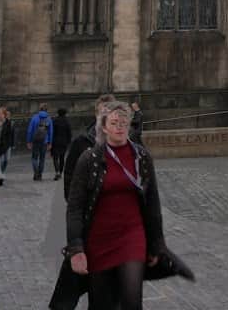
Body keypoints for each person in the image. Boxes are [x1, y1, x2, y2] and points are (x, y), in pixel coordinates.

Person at [65, 101, 166, 310]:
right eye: (114, 122)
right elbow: (75, 206)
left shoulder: (142, 157)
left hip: (132, 236)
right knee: (101, 302)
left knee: (131, 299)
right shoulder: (89, 159)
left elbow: (153, 202)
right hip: (99, 239)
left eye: (123, 122)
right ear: (104, 127)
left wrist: (157, 242)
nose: (119, 127)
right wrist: (76, 248)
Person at [64, 93, 115, 200]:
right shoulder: (81, 142)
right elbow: (70, 174)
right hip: (89, 206)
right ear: (96, 114)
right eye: (102, 113)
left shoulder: (127, 141)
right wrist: (72, 202)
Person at [27, 102, 53, 180]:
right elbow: (51, 132)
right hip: (44, 141)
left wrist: (29, 141)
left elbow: (30, 131)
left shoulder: (34, 117)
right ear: (46, 109)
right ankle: (40, 174)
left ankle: (36, 173)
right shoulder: (49, 118)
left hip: (35, 140)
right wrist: (50, 142)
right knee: (42, 158)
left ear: (40, 109)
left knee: (34, 158)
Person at [52, 107, 73, 180]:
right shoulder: (67, 121)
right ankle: (60, 172)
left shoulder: (55, 121)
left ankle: (57, 171)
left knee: (55, 157)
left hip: (55, 141)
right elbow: (69, 133)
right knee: (62, 158)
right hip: (64, 142)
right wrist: (69, 142)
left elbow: (52, 132)